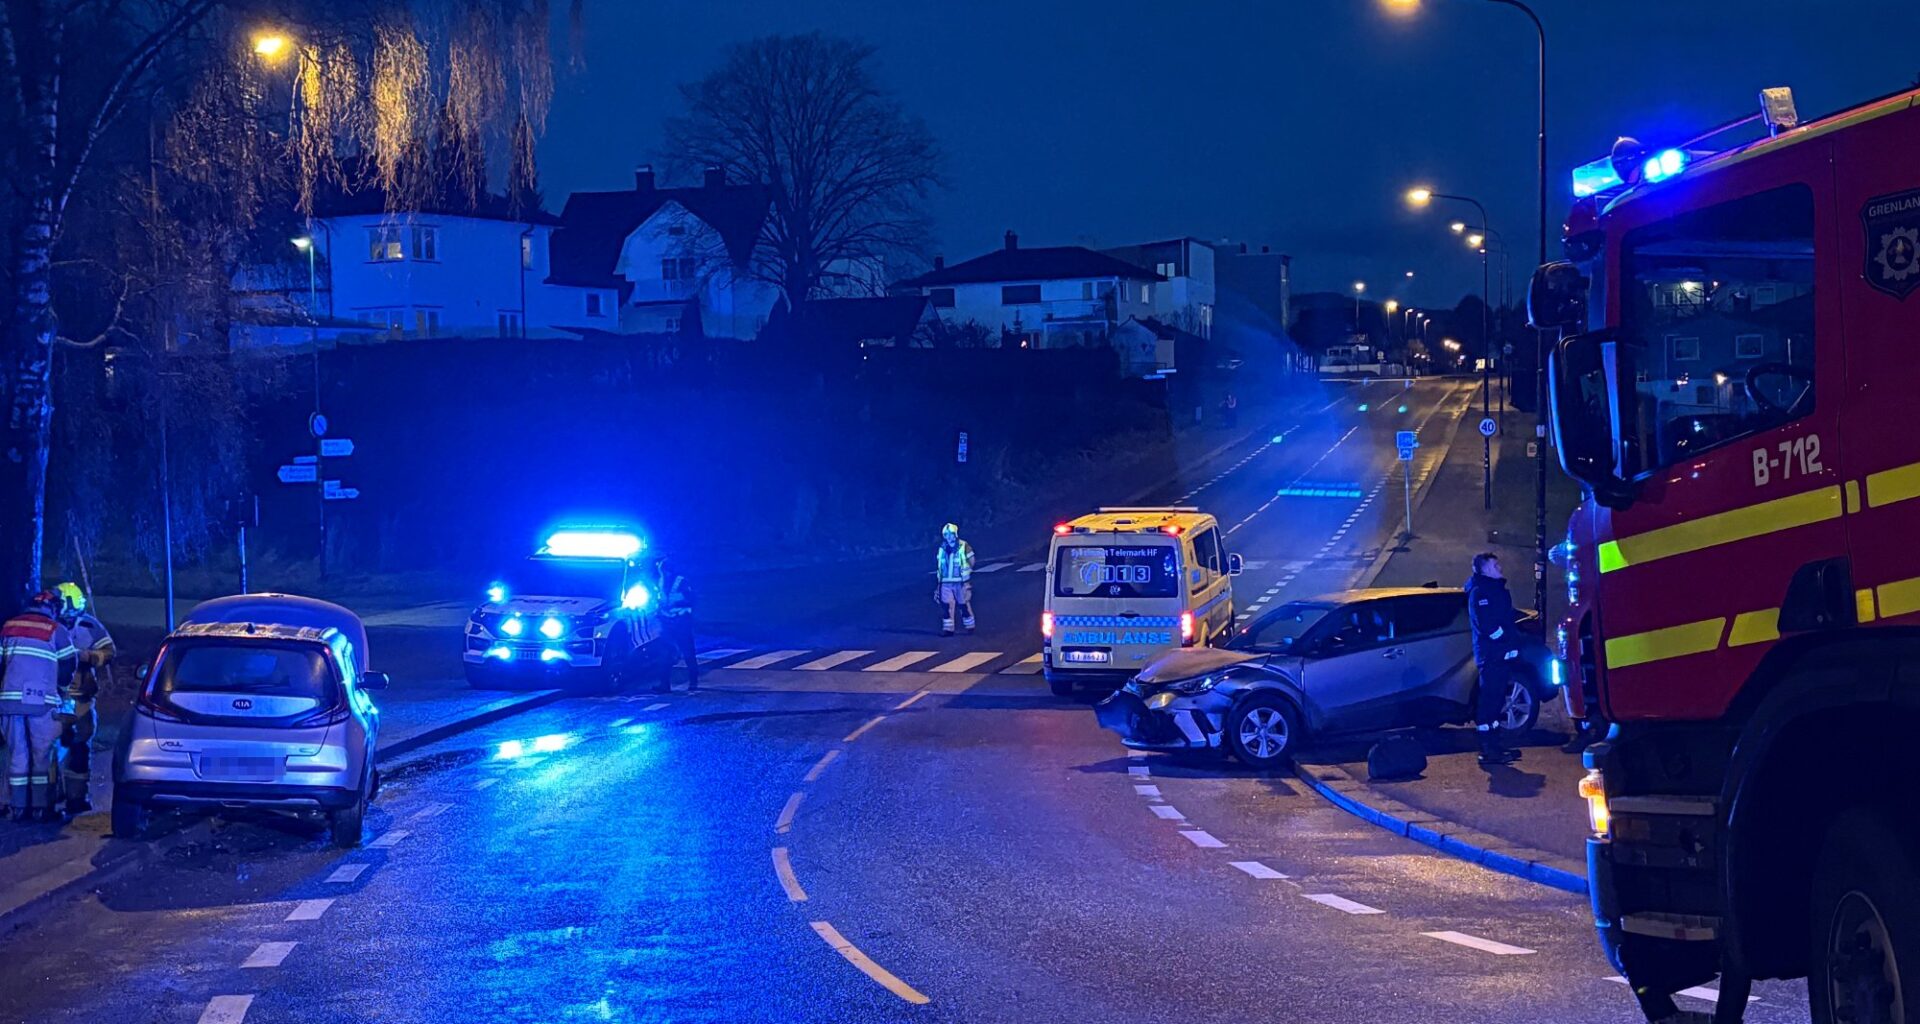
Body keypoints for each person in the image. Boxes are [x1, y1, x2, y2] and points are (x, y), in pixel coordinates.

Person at [0, 591, 77, 822]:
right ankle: (41, 807)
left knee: (17, 755)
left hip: (10, 703)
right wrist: (62, 688)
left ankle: (18, 807)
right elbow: (68, 665)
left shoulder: (9, 626)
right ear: (52, 609)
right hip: (42, 703)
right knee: (42, 755)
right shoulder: (56, 630)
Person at [53, 582, 112, 815]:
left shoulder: (90, 625)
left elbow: (109, 652)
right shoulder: (51, 625)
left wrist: (87, 656)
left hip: (82, 698)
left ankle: (76, 798)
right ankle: (49, 796)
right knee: (49, 749)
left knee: (80, 746)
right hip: (54, 696)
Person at [1465, 552, 1523, 767]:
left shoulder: (1494, 590)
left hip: (1499, 656)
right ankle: (1488, 750)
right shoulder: (1481, 593)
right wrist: (1507, 644)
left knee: (1497, 701)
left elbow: (1506, 618)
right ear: (1485, 569)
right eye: (1495, 565)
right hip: (1491, 657)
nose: (1500, 568)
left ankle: (1496, 746)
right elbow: (1489, 627)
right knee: (1489, 703)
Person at [652, 556, 698, 694]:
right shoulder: (660, 581)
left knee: (688, 652)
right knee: (665, 653)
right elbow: (660, 599)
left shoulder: (681, 581)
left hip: (681, 620)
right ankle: (664, 685)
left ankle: (693, 683)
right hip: (667, 621)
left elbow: (692, 601)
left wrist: (677, 605)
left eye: (662, 569)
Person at [934, 522, 975, 636]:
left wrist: (967, 576)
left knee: (963, 605)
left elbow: (971, 560)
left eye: (951, 534)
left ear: (955, 534)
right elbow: (939, 567)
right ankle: (948, 629)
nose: (948, 536)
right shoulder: (942, 548)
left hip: (960, 582)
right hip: (945, 582)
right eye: (946, 534)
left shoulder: (963, 545)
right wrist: (939, 584)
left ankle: (970, 626)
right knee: (946, 606)